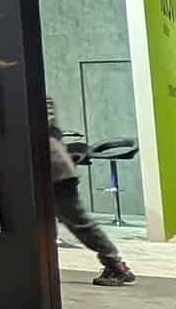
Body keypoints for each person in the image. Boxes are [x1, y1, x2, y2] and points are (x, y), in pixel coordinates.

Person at [48, 98, 136, 285]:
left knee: (77, 221)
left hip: (56, 172)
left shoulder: (37, 94)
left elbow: (44, 125)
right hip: (47, 170)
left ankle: (115, 265)